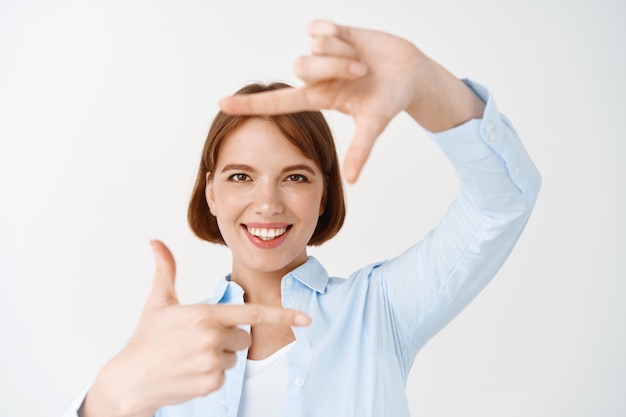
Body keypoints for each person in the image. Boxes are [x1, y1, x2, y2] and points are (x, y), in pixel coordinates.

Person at [66, 19, 541, 417]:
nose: (268, 203)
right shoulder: (171, 350)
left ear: (324, 194)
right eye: (240, 177)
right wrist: (104, 400)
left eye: (294, 177)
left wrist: (427, 84)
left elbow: (501, 200)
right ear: (210, 192)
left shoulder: (381, 310)